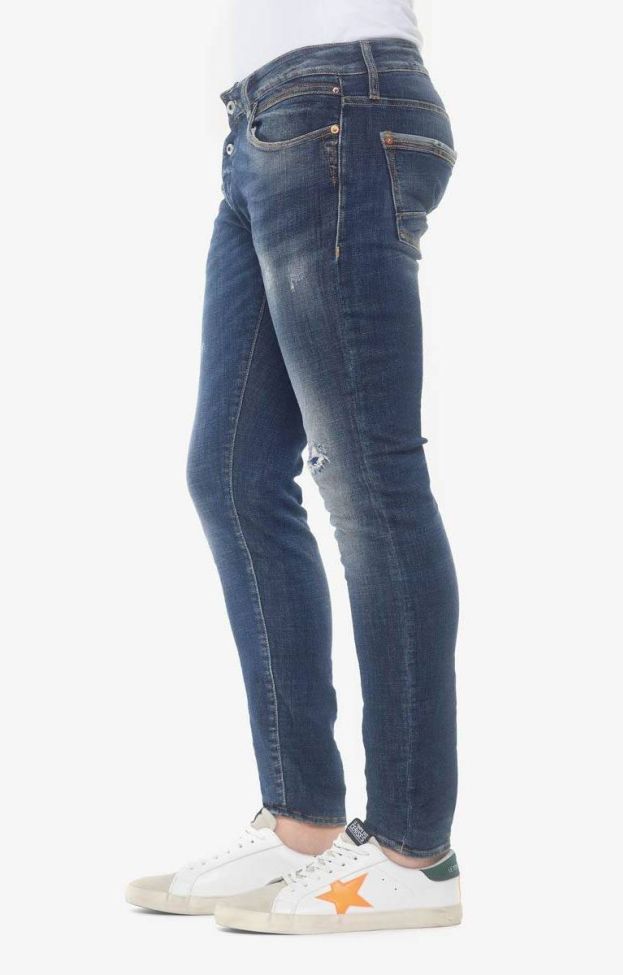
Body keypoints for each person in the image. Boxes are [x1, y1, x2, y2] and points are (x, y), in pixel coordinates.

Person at [127, 0, 461, 934]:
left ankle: (413, 851)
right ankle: (304, 824)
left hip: (338, 100)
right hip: (263, 123)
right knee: (230, 473)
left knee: (368, 477)